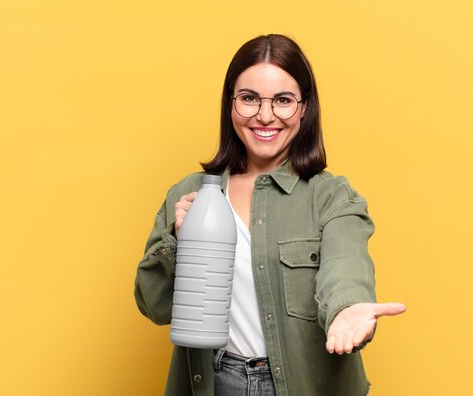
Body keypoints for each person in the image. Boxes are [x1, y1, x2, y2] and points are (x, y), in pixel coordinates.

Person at [134, 34, 406, 396]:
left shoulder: (332, 198)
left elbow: (346, 267)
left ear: (305, 107)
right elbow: (155, 306)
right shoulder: (190, 194)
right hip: (217, 382)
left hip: (303, 386)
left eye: (283, 100)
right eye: (249, 99)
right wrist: (179, 243)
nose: (265, 115)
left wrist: (348, 308)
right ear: (230, 104)